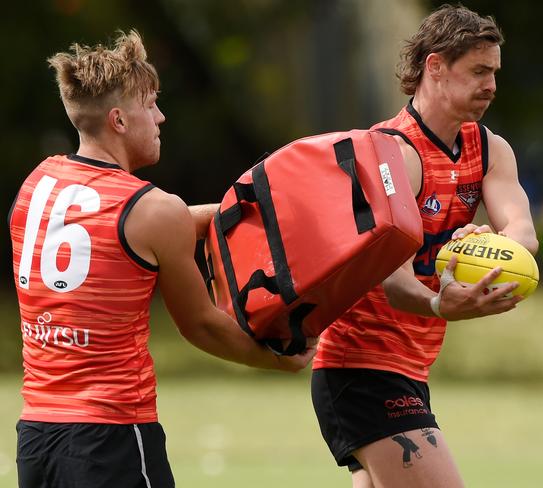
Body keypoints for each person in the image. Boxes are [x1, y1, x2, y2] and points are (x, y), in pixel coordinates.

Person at [8, 30, 316, 488]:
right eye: (150, 104)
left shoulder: (38, 185)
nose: (161, 117)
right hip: (111, 438)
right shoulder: (152, 208)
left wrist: (240, 210)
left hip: (36, 438)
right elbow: (202, 325)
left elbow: (122, 232)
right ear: (118, 120)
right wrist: (279, 361)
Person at [311, 4, 538, 488]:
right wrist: (441, 304)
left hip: (408, 366)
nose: (492, 85)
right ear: (434, 66)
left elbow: (523, 232)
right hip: (361, 365)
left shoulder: (489, 149)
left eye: (495, 72)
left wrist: (490, 243)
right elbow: (393, 284)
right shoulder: (389, 154)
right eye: (479, 71)